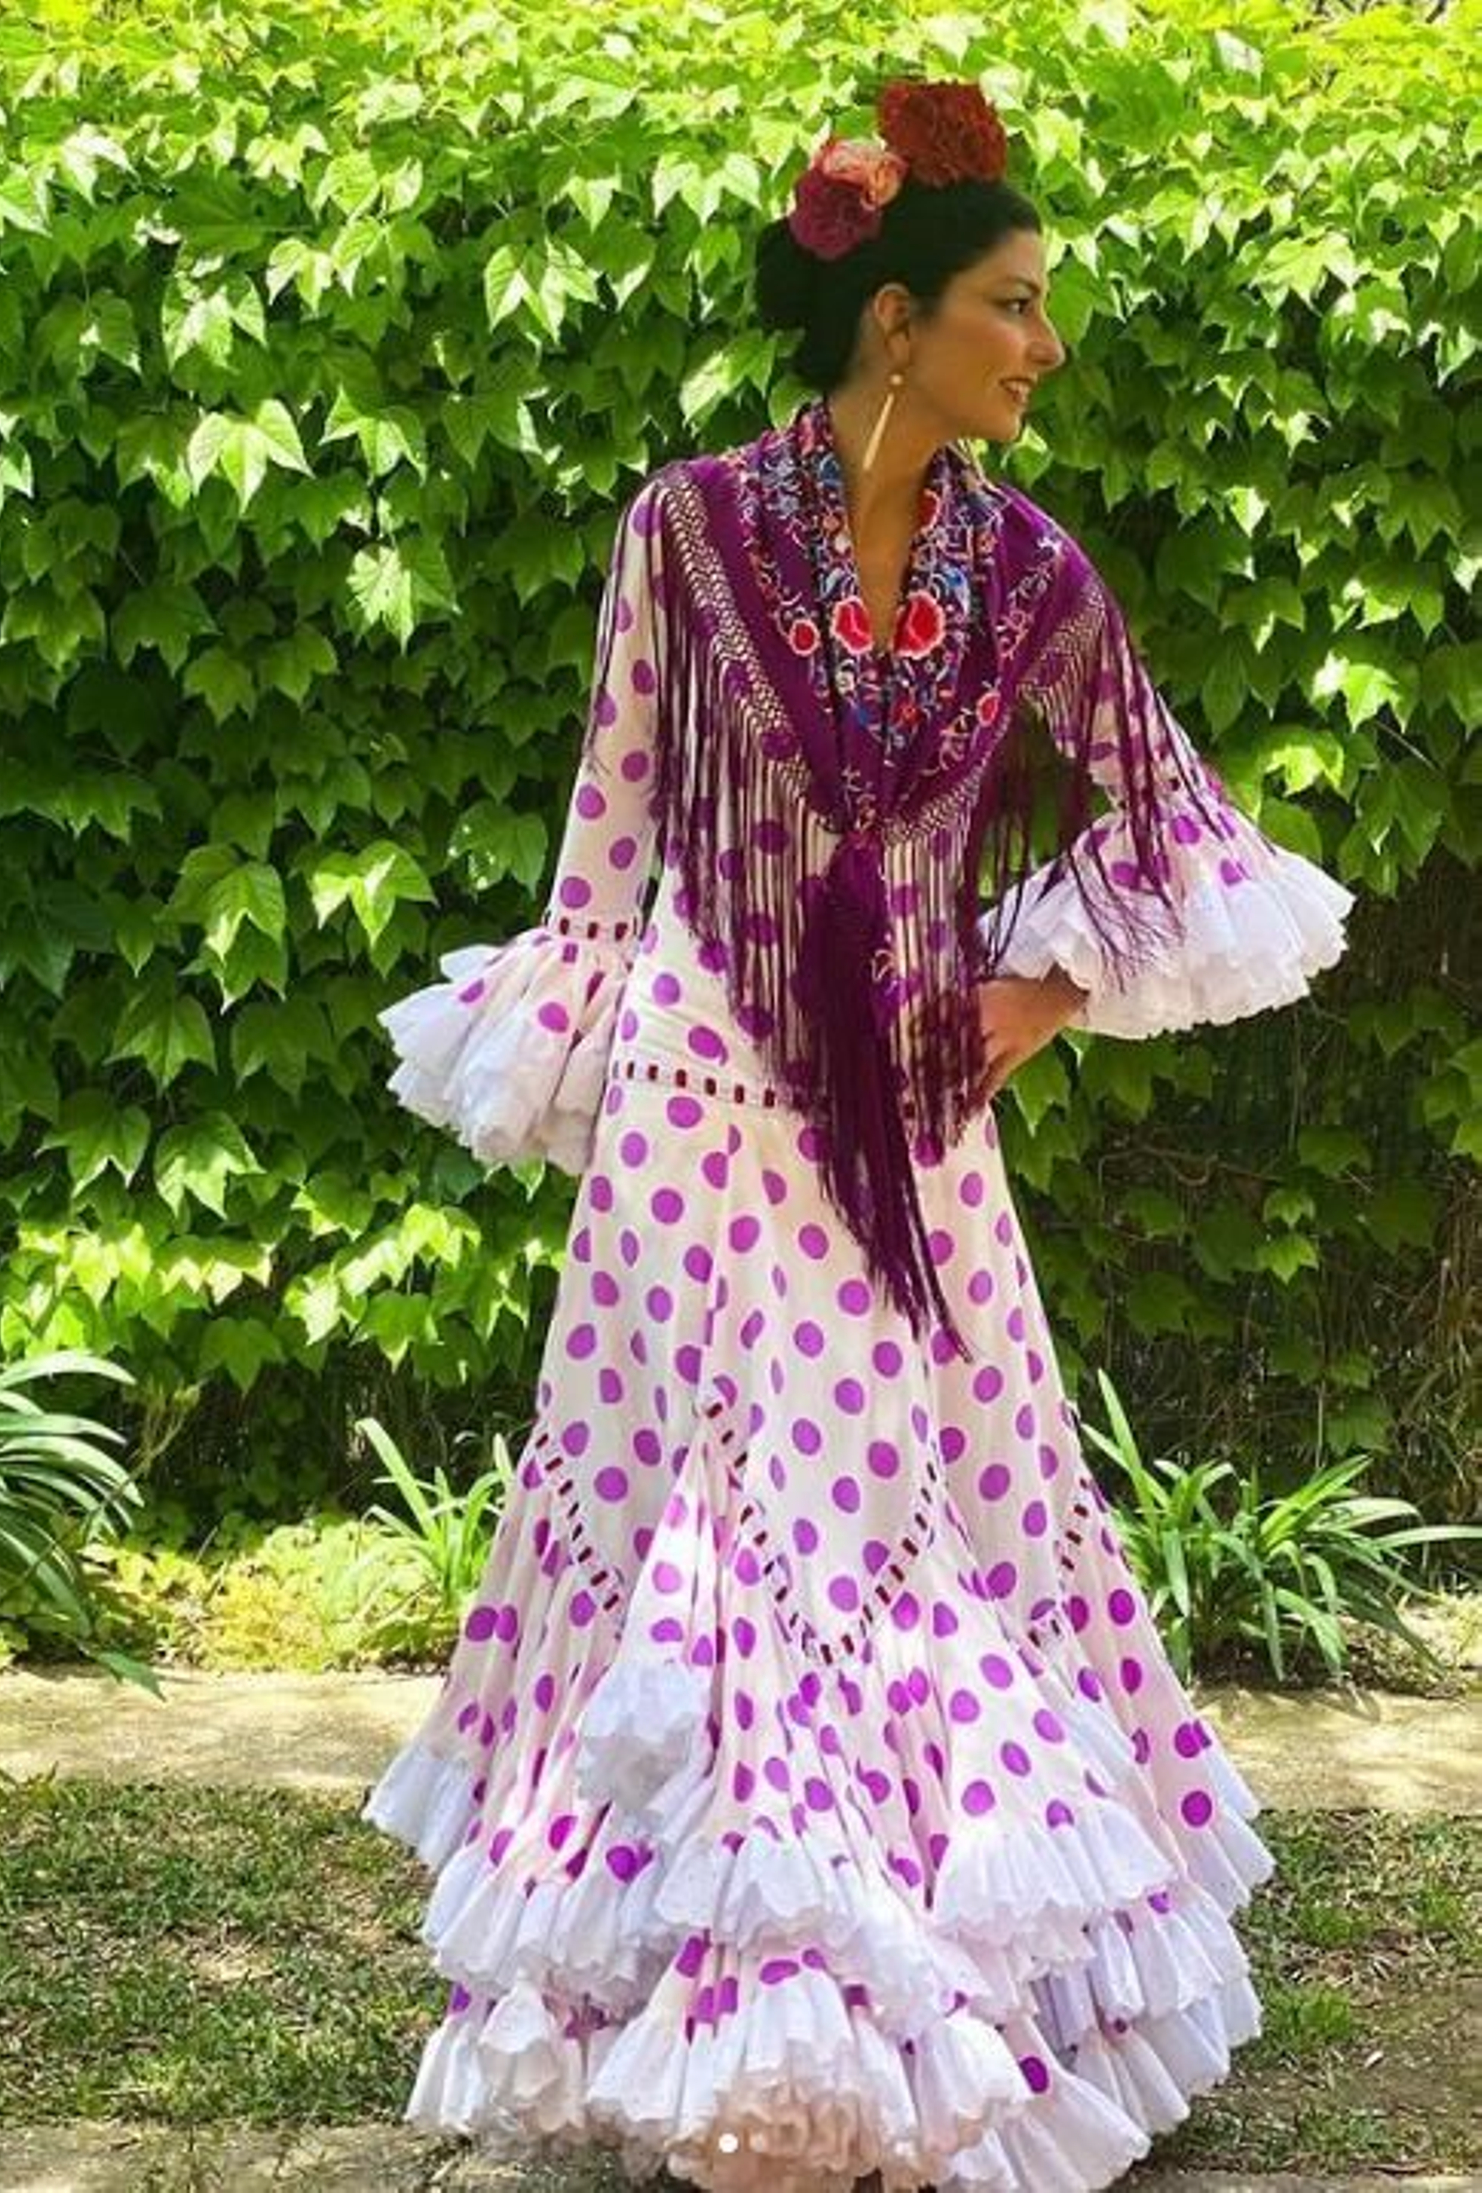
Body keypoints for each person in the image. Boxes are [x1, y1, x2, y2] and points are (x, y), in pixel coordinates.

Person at [361, 75, 1355, 2193]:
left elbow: (1168, 819)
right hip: (702, 1113)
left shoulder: (1031, 572)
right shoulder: (687, 528)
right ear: (890, 317)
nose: (1043, 345)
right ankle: (734, 2030)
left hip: (912, 1139)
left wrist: (1040, 986)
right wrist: (579, 1058)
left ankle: (919, 2026)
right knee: (731, 1528)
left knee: (927, 1509)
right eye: (1010, 303)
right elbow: (608, 848)